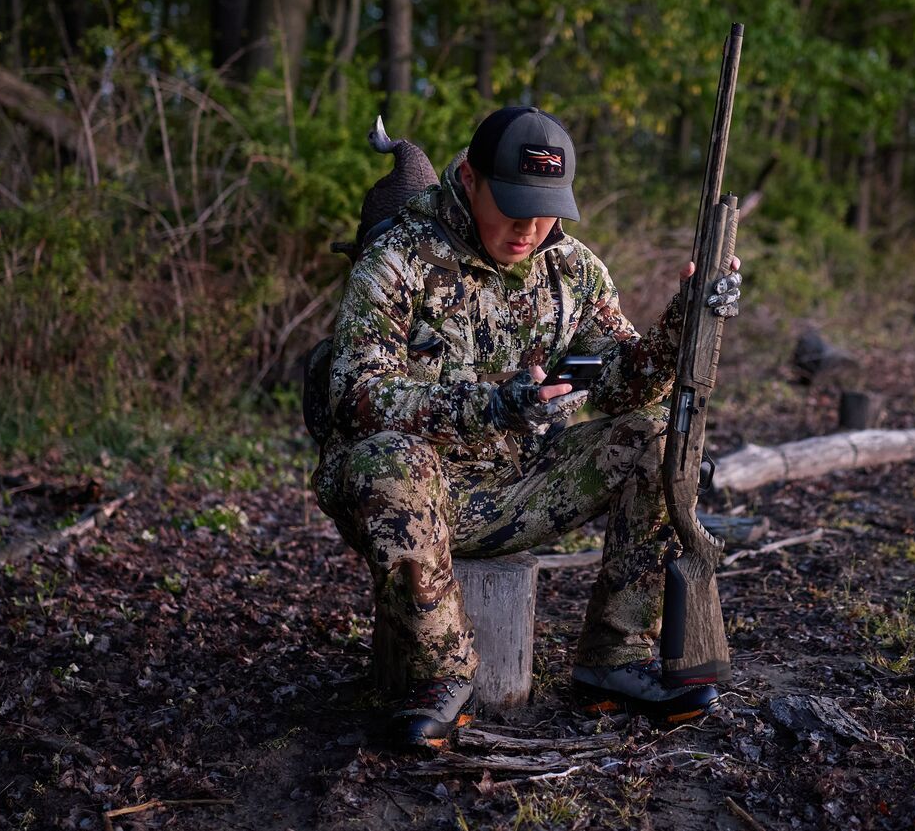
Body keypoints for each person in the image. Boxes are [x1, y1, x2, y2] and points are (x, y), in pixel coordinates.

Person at [312, 105, 741, 750]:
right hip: (415, 496)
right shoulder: (399, 258)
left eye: (545, 209)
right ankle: (440, 677)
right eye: (512, 203)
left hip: (523, 484)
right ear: (469, 179)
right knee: (389, 461)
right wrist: (493, 405)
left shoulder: (572, 270)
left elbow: (625, 384)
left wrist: (689, 316)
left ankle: (614, 657)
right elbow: (353, 394)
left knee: (655, 440)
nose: (528, 227)